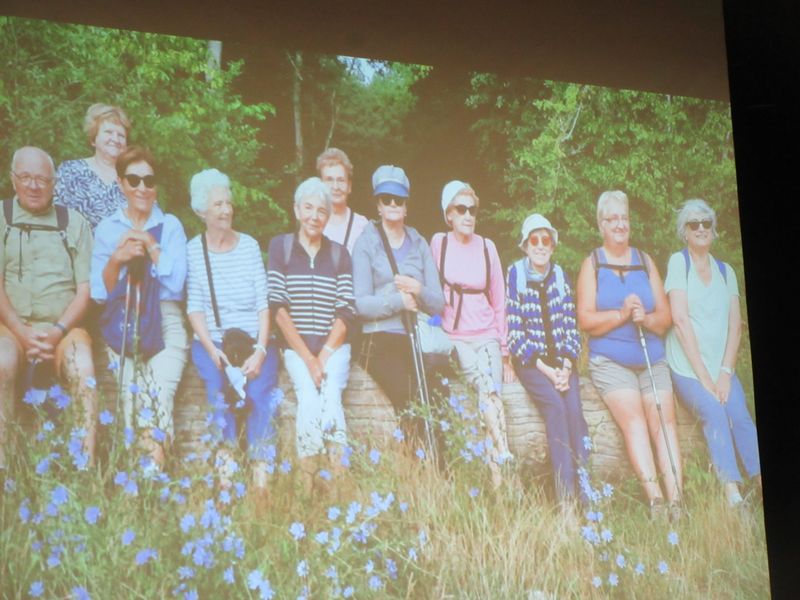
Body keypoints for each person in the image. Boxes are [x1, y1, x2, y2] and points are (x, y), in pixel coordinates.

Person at [576, 190, 681, 518]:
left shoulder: (645, 261)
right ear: (601, 225)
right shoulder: (592, 264)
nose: (620, 225)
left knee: (664, 420)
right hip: (610, 361)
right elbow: (585, 320)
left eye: (624, 218)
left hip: (651, 356)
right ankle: (656, 501)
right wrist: (621, 315)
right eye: (612, 219)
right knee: (635, 419)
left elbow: (665, 318)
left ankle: (677, 501)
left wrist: (645, 319)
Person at [0, 147, 97, 471]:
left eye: (42, 179)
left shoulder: (74, 222)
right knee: (1, 362)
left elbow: (85, 290)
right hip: (10, 328)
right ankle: (3, 468)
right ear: (13, 179)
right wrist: (22, 332)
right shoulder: (2, 218)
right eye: (26, 177)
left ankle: (84, 467)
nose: (33, 185)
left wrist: (56, 333)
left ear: (54, 183)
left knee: (83, 369)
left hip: (65, 330)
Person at [91, 146, 188, 468]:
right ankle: (143, 486)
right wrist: (116, 260)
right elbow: (100, 293)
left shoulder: (170, 226)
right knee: (131, 403)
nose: (142, 188)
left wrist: (151, 244)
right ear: (121, 183)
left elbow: (176, 284)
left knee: (157, 397)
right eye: (134, 180)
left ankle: (149, 483)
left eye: (149, 180)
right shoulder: (108, 228)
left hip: (164, 320)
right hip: (124, 320)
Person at [186, 168, 280, 489]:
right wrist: (212, 351)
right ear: (202, 211)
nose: (226, 210)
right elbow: (194, 308)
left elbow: (263, 304)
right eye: (218, 205)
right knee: (217, 390)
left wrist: (261, 350)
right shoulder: (193, 250)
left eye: (228, 203)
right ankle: (226, 477)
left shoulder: (249, 246)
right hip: (213, 340)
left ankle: (261, 480)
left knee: (261, 392)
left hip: (254, 339)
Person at [665, 199, 760, 506]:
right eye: (694, 224)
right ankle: (733, 495)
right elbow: (680, 321)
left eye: (706, 223)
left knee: (740, 415)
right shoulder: (678, 263)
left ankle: (761, 485)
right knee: (714, 411)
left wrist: (725, 373)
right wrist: (706, 378)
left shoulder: (725, 271)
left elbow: (736, 326)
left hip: (721, 369)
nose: (701, 228)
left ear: (713, 229)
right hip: (687, 369)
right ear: (684, 231)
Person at [267, 177, 356, 494]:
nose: (314, 216)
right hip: (296, 349)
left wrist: (324, 355)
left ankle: (338, 486)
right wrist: (309, 359)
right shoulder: (281, 248)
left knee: (330, 399)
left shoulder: (339, 254)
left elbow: (346, 312)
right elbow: (278, 310)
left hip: (334, 348)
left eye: (321, 211)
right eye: (308, 208)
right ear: (296, 210)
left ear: (328, 216)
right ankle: (309, 486)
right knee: (307, 397)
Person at [352, 165, 447, 453]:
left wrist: (418, 290)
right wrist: (398, 302)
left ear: (406, 206)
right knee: (409, 397)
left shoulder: (419, 243)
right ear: (378, 205)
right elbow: (360, 303)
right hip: (379, 339)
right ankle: (417, 466)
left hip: (416, 337)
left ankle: (440, 467)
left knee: (437, 394)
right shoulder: (366, 242)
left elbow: (438, 302)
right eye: (386, 199)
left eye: (399, 199)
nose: (393, 204)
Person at [430, 180, 513, 488]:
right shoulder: (439, 243)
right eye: (461, 209)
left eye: (472, 210)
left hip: (486, 332)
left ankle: (498, 478)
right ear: (448, 214)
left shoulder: (487, 247)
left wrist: (505, 352)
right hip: (455, 336)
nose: (468, 215)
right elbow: (429, 289)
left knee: (492, 393)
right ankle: (504, 457)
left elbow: (499, 300)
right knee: (483, 381)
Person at [507, 213, 589, 504]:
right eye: (534, 240)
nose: (540, 245)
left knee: (575, 412)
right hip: (533, 364)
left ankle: (587, 495)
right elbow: (515, 335)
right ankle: (565, 498)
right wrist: (548, 371)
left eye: (546, 240)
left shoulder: (560, 276)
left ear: (553, 246)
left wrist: (565, 367)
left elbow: (571, 328)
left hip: (562, 364)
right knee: (555, 407)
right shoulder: (515, 275)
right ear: (525, 245)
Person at [55, 104, 131, 230]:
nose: (115, 139)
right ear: (93, 139)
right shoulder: (70, 171)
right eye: (108, 132)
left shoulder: (135, 178)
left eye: (121, 135)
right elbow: (54, 215)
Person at [317, 148, 368, 255]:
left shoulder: (361, 226)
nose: (336, 187)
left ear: (349, 186)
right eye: (329, 180)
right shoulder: (313, 222)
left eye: (341, 180)